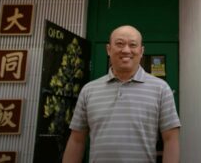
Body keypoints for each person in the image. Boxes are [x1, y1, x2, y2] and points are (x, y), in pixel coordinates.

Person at [62, 25, 180, 163]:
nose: (126, 50)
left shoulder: (161, 89)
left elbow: (171, 139)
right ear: (108, 49)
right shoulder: (89, 90)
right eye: (119, 44)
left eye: (133, 45)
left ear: (141, 51)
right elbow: (77, 140)